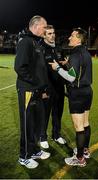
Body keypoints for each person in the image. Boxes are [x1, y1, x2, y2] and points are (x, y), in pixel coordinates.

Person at [49, 27, 93, 167]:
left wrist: (57, 68)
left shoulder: (75, 54)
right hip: (87, 91)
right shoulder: (86, 52)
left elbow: (71, 77)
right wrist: (68, 64)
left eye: (72, 35)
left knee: (79, 126)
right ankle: (85, 151)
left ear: (78, 39)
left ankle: (79, 158)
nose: (69, 38)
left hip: (78, 93)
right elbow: (80, 70)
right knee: (85, 123)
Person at [14, 15, 51, 169]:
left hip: (37, 90)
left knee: (36, 123)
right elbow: (20, 67)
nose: (46, 29)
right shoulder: (26, 42)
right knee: (27, 124)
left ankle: (34, 150)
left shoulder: (36, 42)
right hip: (27, 90)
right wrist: (35, 83)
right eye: (44, 27)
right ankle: (24, 156)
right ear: (35, 26)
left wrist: (42, 87)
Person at [39, 25, 66, 149]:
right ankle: (42, 137)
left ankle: (56, 134)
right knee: (45, 114)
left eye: (53, 33)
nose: (52, 35)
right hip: (47, 88)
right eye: (49, 33)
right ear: (44, 35)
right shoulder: (40, 49)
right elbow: (39, 72)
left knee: (58, 112)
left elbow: (63, 66)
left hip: (59, 87)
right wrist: (43, 89)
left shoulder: (59, 47)